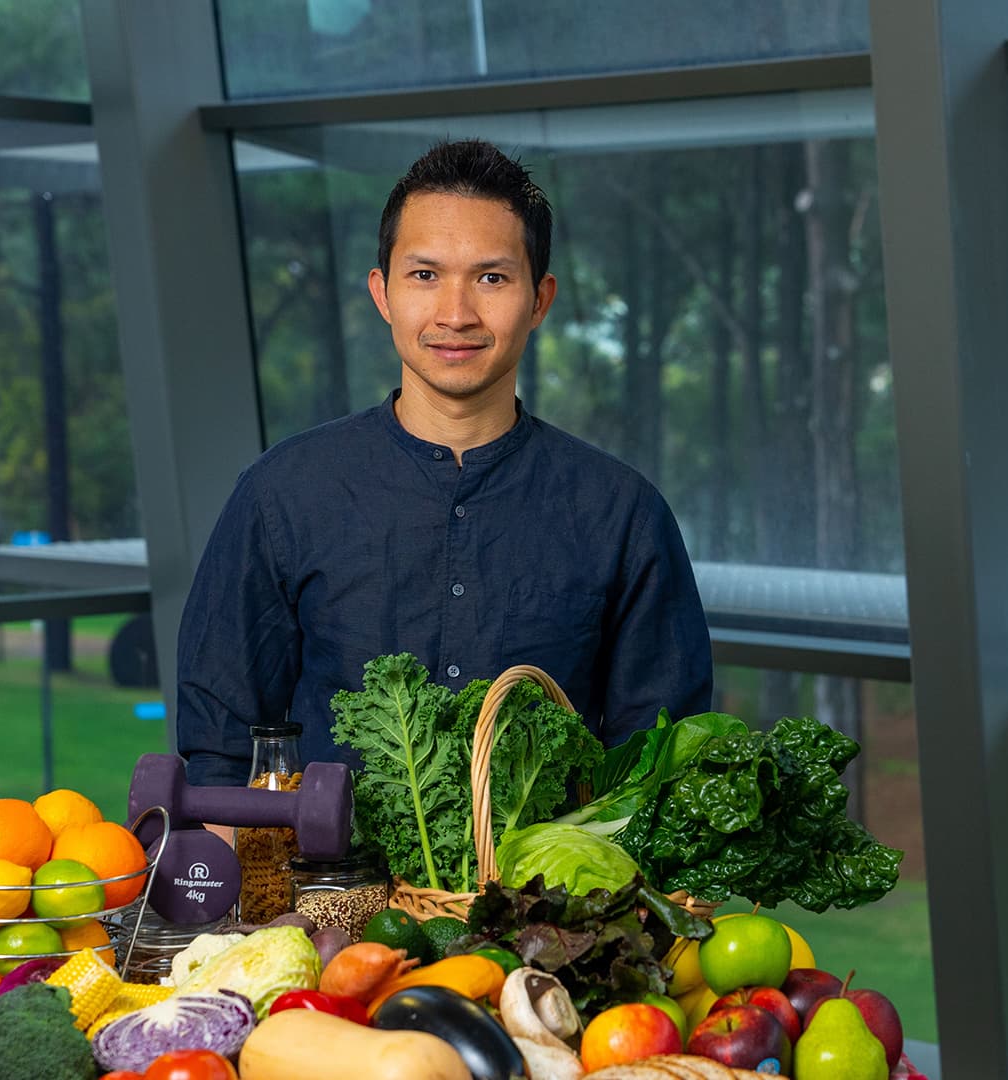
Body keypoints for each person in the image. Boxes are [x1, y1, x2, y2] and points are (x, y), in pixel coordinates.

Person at [175, 139, 713, 787]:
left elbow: (658, 770)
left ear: (539, 300)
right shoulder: (281, 495)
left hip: (544, 891)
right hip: (327, 888)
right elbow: (219, 748)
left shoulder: (623, 515)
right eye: (425, 275)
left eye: (492, 278)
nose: (456, 314)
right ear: (383, 293)